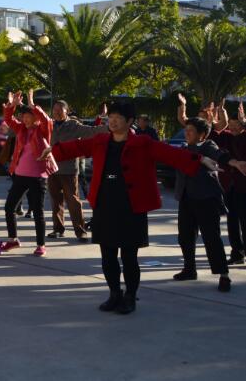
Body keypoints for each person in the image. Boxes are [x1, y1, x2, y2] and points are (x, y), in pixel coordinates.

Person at [44, 101, 212, 315]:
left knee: (129, 257)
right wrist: (52, 150)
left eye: (118, 118)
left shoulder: (143, 143)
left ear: (129, 121)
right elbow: (77, 147)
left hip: (131, 208)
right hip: (105, 206)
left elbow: (170, 153)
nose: (112, 122)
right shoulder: (101, 140)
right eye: (110, 118)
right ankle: (114, 294)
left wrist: (200, 159)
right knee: (107, 256)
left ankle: (130, 296)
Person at [173, 117, 246, 291]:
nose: (186, 133)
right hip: (186, 198)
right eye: (186, 130)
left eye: (191, 131)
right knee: (185, 237)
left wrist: (235, 162)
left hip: (206, 199)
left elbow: (220, 155)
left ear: (202, 135)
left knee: (212, 238)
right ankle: (189, 269)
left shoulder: (208, 146)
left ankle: (224, 275)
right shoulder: (183, 148)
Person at [1, 90, 57, 256]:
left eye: (28, 116)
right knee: (9, 207)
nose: (25, 119)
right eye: (23, 116)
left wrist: (33, 105)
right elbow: (8, 119)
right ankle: (13, 239)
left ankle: (41, 245)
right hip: (20, 175)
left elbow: (46, 120)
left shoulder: (43, 129)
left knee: (38, 212)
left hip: (38, 177)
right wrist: (12, 106)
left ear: (35, 118)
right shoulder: (21, 130)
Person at [47, 100, 108, 241]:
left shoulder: (73, 125)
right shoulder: (49, 124)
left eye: (60, 110)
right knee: (55, 201)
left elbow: (91, 131)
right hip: (52, 168)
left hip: (69, 169)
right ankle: (58, 229)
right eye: (54, 110)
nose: (56, 112)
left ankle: (80, 231)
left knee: (73, 201)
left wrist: (108, 127)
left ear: (66, 111)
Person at [209, 102, 246, 265]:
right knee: (232, 221)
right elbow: (213, 140)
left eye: (237, 125)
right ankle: (237, 253)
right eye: (231, 125)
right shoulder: (227, 137)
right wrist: (213, 121)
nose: (234, 128)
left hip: (244, 186)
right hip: (230, 186)